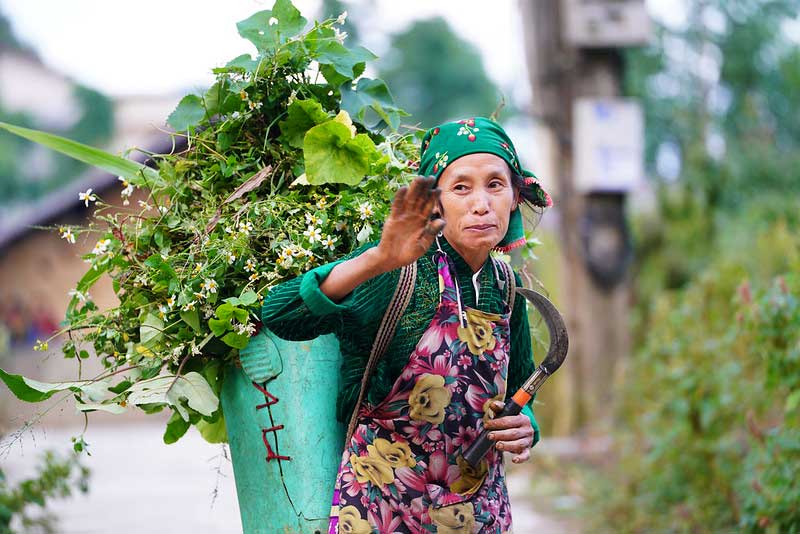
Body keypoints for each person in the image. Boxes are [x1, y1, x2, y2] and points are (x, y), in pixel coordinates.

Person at [260, 117, 552, 533]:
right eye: (461, 187)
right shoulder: (397, 269)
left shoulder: (505, 286)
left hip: (477, 513)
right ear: (435, 202)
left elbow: (521, 389)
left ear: (514, 196)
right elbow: (280, 314)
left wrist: (525, 429)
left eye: (495, 185)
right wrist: (377, 259)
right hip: (383, 508)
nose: (481, 204)